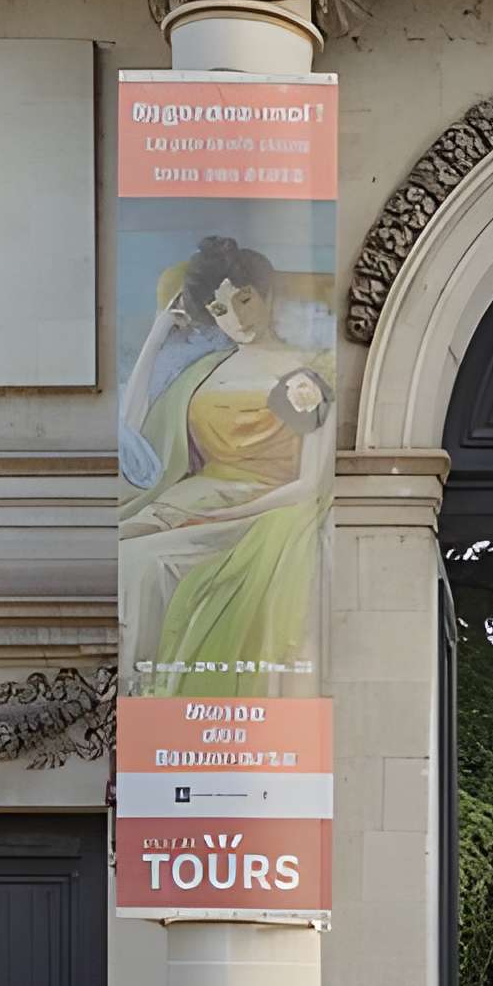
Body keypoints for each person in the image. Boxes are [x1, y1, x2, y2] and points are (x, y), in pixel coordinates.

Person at [118, 237, 332, 695]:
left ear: (268, 295)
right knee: (114, 545)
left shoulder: (304, 374)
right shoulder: (205, 370)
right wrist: (156, 338)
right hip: (187, 498)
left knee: (139, 563)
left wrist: (220, 516)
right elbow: (132, 432)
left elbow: (310, 482)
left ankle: (146, 701)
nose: (236, 319)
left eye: (244, 299)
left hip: (256, 511)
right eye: (219, 311)